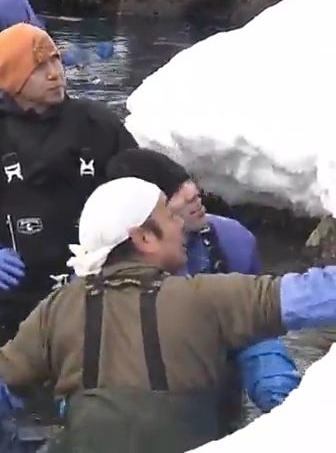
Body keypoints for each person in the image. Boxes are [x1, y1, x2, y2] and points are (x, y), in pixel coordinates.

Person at [0, 176, 336, 453]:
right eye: (168, 216)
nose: (180, 225)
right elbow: (313, 294)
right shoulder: (208, 297)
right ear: (143, 237)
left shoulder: (55, 310)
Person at [0, 22, 137, 349]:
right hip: (18, 292)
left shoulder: (98, 124)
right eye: (40, 67)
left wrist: (113, 258)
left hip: (96, 284)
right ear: (13, 79)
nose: (56, 73)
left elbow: (137, 194)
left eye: (56, 60)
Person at [106, 147, 301, 429]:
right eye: (173, 191)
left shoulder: (231, 239)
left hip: (221, 405)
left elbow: (256, 328)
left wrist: (283, 401)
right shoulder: (100, 268)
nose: (191, 192)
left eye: (186, 179)